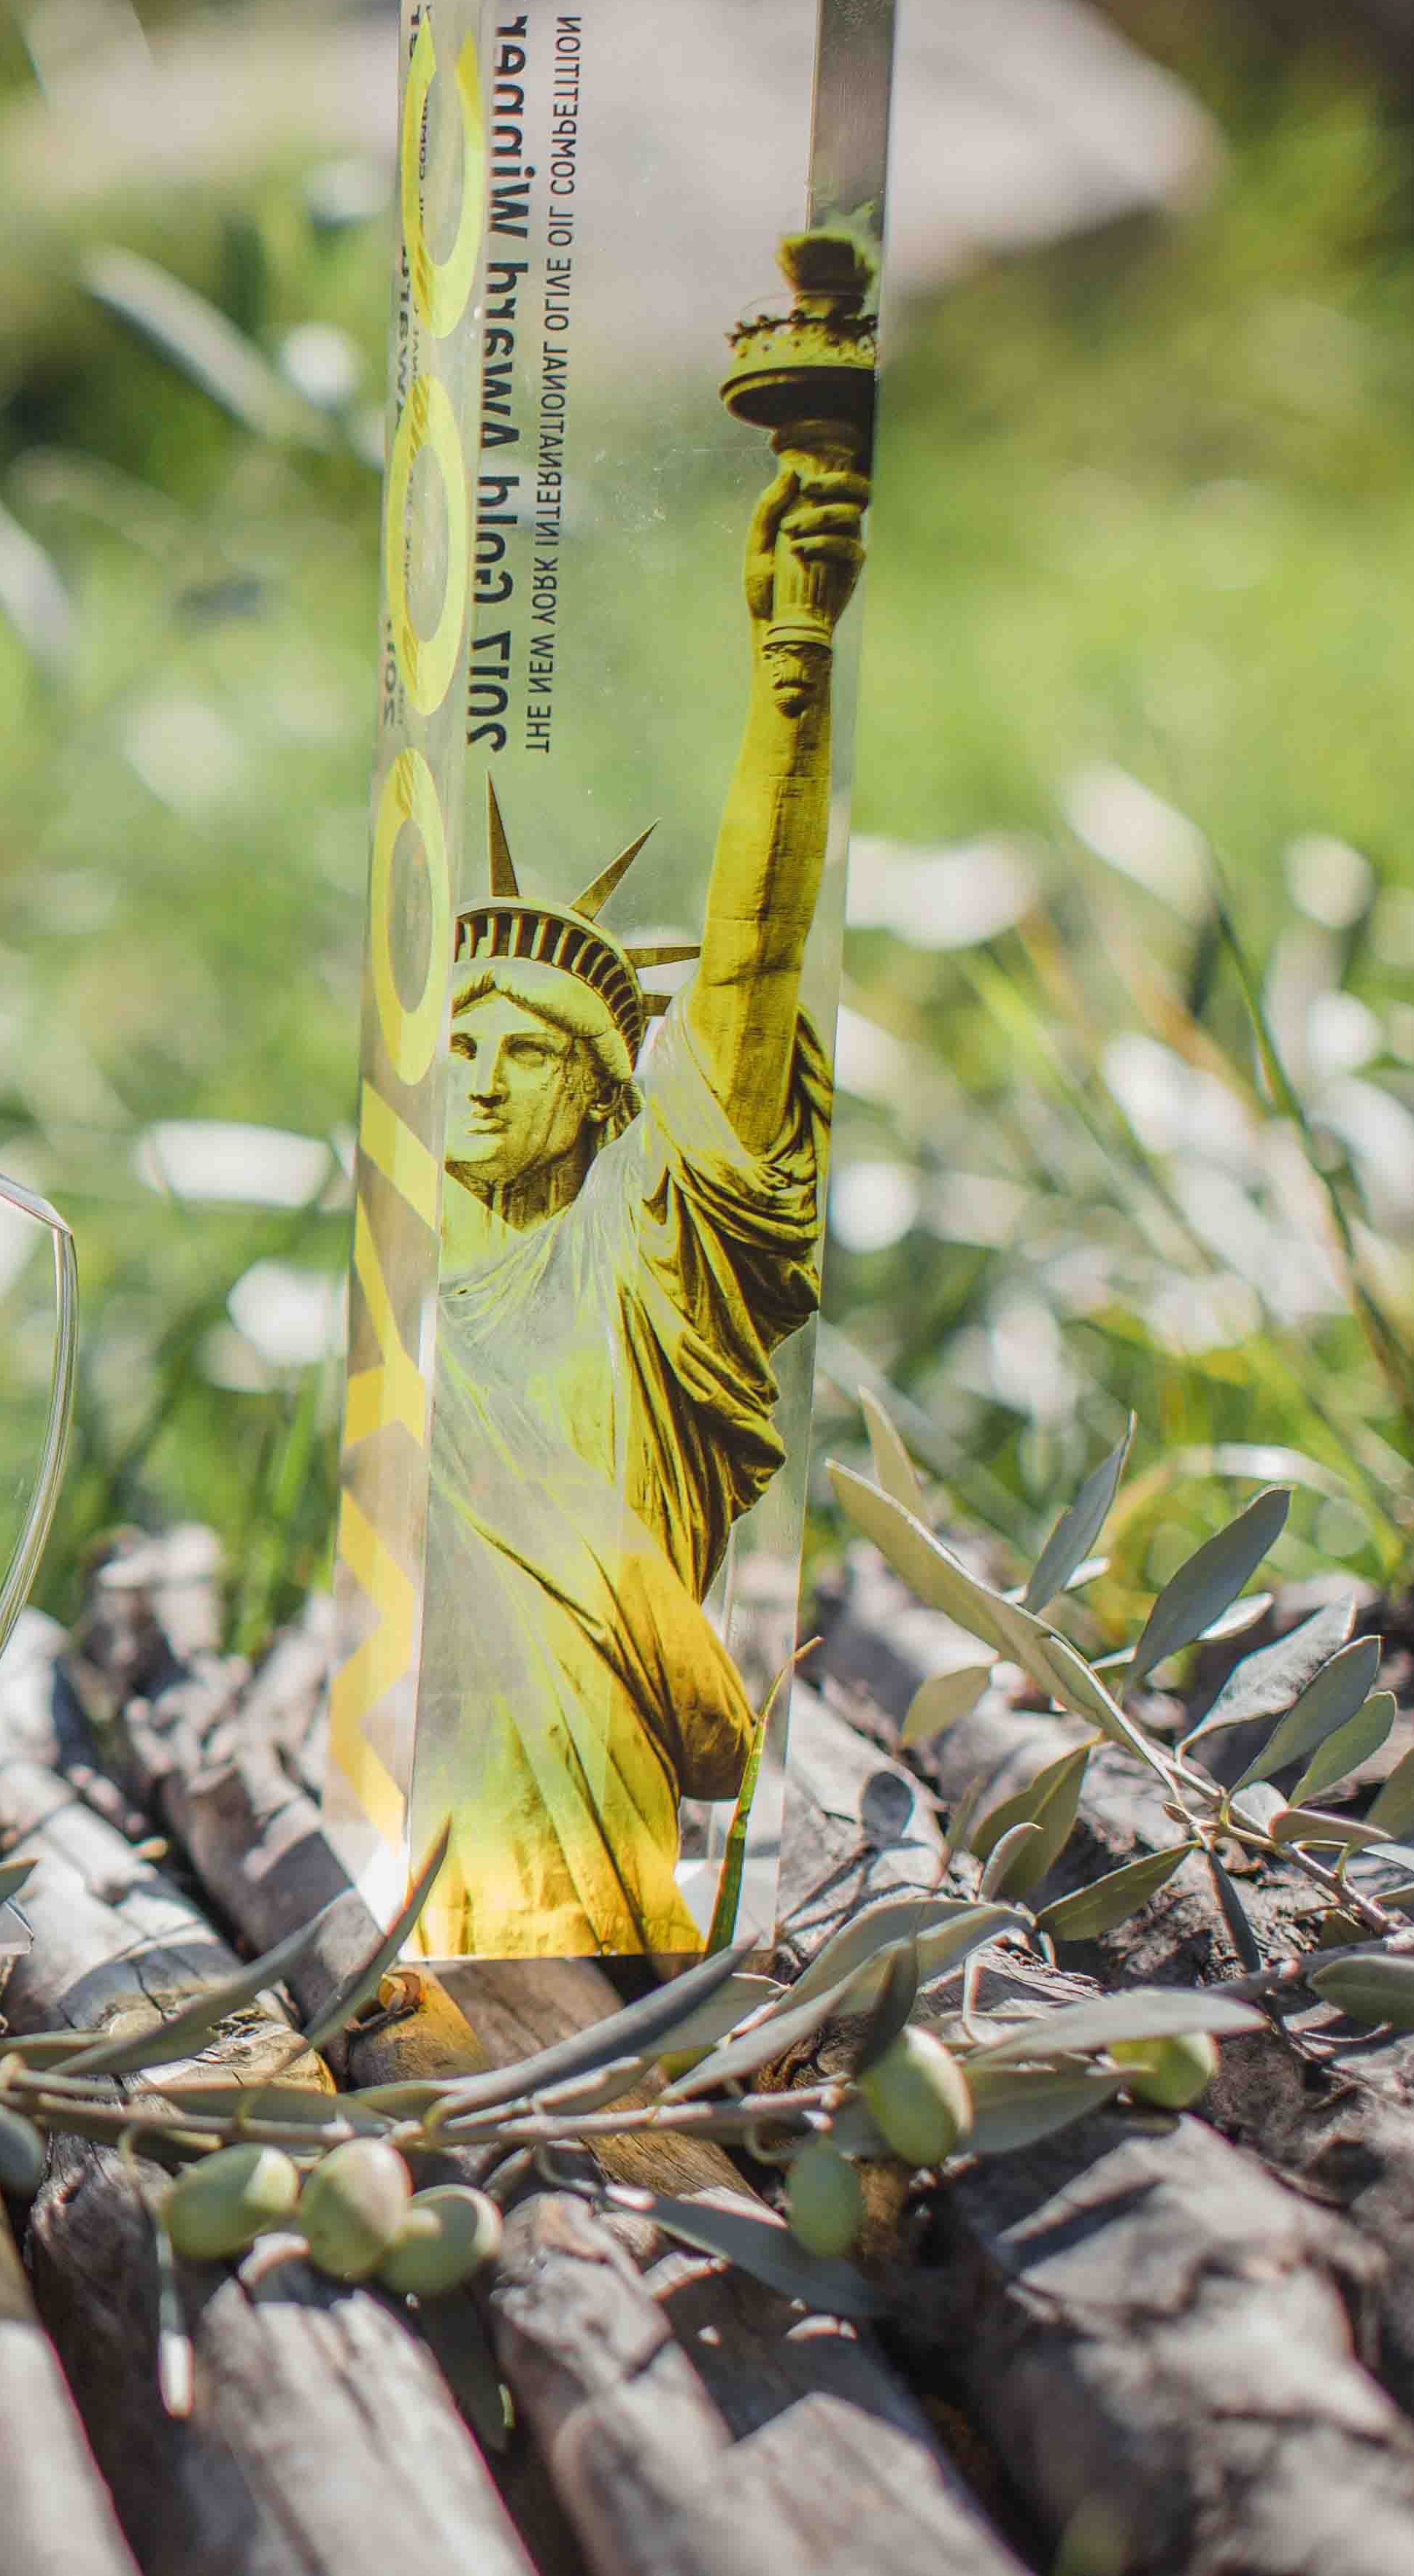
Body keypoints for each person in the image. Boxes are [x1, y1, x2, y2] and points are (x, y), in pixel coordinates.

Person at [406, 435, 863, 1955]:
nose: (477, 1081)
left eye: (524, 1051)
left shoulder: (641, 1264)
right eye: (457, 1044)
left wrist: (793, 654)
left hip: (597, 1878)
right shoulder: (406, 1293)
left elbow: (753, 953)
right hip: (424, 1879)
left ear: (606, 1096)